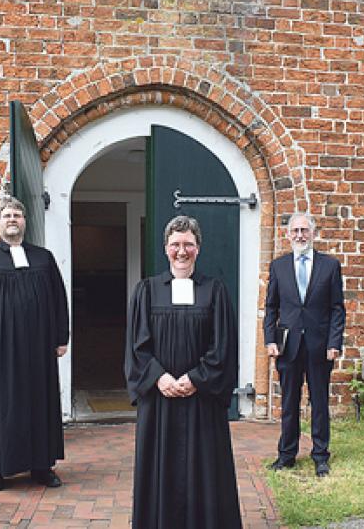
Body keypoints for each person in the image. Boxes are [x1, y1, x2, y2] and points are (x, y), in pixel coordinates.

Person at [125, 215, 241, 529]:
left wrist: (196, 379)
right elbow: (137, 346)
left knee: (204, 467)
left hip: (200, 401)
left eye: (188, 244)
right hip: (159, 401)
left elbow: (223, 346)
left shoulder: (214, 291)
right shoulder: (147, 291)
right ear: (165, 249)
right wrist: (159, 377)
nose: (181, 251)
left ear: (198, 249)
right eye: (175, 244)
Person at [0, 196, 69, 491]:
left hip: (38, 348)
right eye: (7, 215)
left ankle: (41, 466)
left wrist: (61, 337)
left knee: (39, 402)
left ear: (24, 222)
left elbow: (59, 299)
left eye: (17, 215)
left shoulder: (43, 258)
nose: (12, 219)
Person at [264, 211, 345, 477]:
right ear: (288, 235)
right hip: (287, 346)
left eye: (304, 230)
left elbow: (337, 309)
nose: (300, 235)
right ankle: (286, 454)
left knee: (319, 402)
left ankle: (320, 455)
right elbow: (271, 307)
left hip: (320, 345)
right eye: (295, 231)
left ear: (313, 233)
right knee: (289, 403)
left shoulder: (329, 266)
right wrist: (269, 341)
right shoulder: (278, 266)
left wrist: (335, 343)